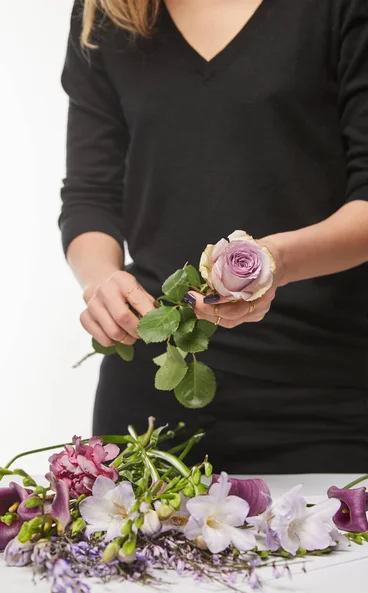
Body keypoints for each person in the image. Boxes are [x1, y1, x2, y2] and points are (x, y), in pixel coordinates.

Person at [59, 0, 368, 474]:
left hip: (324, 398)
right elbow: (90, 194)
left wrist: (277, 262)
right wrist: (102, 280)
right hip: (152, 401)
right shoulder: (106, 13)